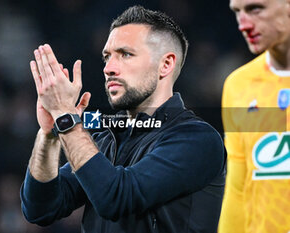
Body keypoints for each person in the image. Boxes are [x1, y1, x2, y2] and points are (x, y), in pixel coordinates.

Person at [20, 5, 226, 233]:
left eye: (125, 54)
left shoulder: (196, 140)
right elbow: (40, 209)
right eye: (107, 57)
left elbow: (117, 198)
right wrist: (50, 134)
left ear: (165, 65)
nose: (109, 68)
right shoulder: (105, 138)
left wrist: (67, 118)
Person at [218, 0, 290, 233]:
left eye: (255, 9)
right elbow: (237, 186)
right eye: (237, 12)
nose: (243, 24)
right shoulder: (238, 85)